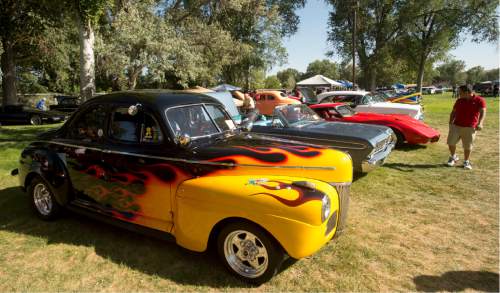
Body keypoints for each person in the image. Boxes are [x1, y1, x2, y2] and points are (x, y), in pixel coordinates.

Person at [446, 84, 486, 170]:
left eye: (460, 92)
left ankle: (466, 161)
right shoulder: (459, 100)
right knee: (451, 143)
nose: (459, 94)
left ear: (467, 92)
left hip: (470, 127)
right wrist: (450, 123)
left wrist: (480, 123)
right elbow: (453, 112)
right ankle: (453, 157)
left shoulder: (479, 100)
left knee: (467, 146)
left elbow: (483, 112)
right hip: (456, 125)